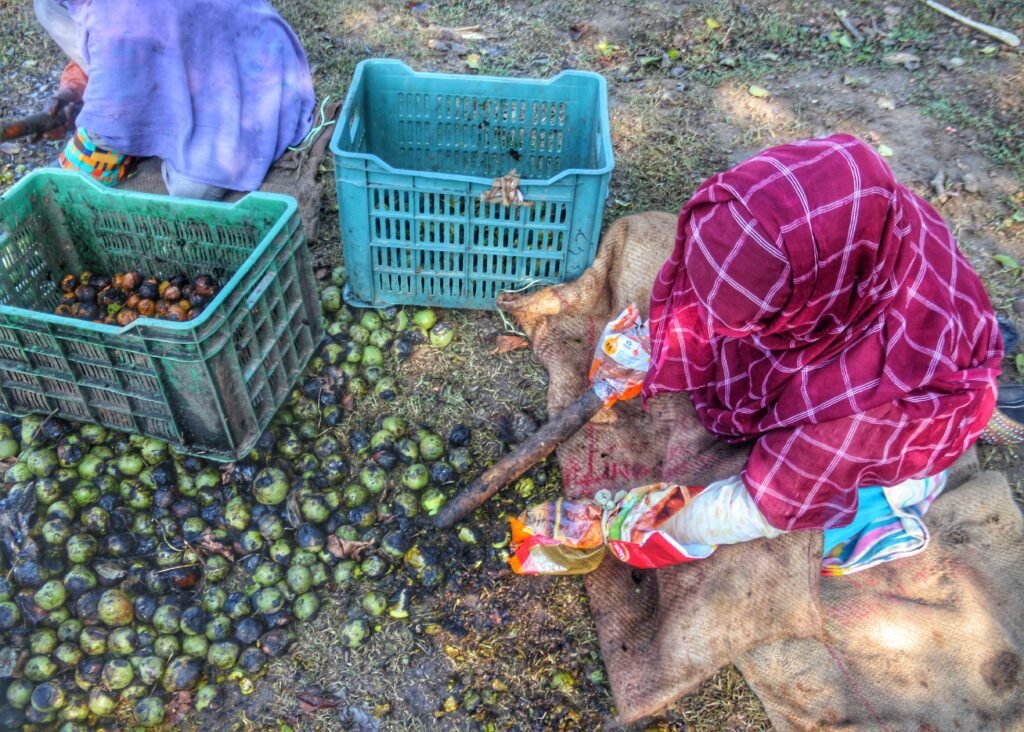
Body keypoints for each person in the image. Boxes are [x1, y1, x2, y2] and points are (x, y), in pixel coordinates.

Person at [642, 134, 1003, 574]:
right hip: (900, 332)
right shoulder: (860, 215)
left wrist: (651, 518)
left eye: (756, 321)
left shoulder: (858, 406)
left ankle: (890, 510)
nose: (716, 328)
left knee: (820, 519)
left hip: (913, 416)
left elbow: (764, 505)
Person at [34, 0, 316, 200]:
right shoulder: (107, 20)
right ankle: (141, 111)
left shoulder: (118, 16)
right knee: (47, 5)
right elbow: (104, 43)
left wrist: (104, 132)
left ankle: (141, 120)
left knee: (191, 191)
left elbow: (118, 42)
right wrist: (73, 89)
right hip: (175, 51)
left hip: (251, 74)